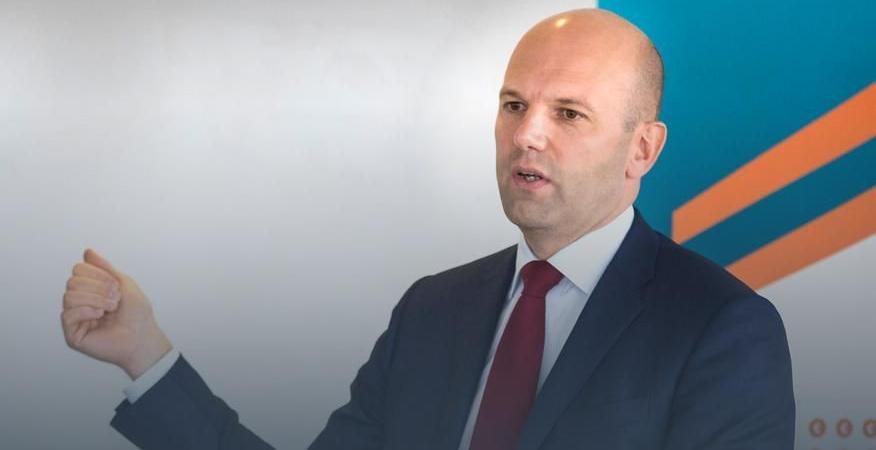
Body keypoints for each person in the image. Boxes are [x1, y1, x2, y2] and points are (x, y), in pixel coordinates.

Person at [60, 8, 795, 450]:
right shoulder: (433, 310)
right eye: (514, 105)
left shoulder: (721, 329)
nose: (527, 135)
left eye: (568, 114)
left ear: (642, 150)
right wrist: (146, 355)